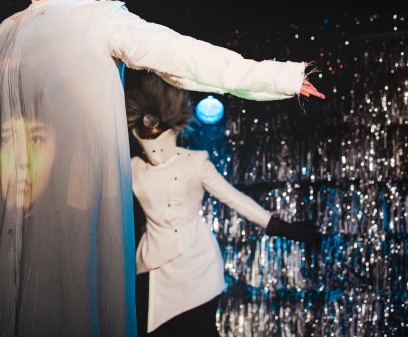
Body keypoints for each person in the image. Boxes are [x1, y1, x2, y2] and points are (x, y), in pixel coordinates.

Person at [0, 0, 325, 336]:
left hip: (77, 217)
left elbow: (184, 56)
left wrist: (279, 77)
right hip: (16, 210)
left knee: (68, 305)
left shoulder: (99, 20)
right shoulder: (0, 38)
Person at [126, 73, 322, 336]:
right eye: (145, 132)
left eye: (157, 131)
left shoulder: (195, 162)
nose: (152, 137)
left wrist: (281, 227)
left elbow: (233, 198)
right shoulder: (133, 168)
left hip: (197, 265)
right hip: (154, 266)